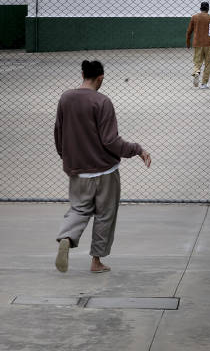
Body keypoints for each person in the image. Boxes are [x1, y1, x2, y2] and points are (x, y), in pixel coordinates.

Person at [54, 60, 152, 273]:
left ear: (82, 74)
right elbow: (111, 141)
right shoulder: (102, 102)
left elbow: (59, 133)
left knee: (79, 209)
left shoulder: (66, 98)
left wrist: (67, 158)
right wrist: (136, 149)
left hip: (78, 171)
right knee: (104, 215)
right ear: (101, 78)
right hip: (105, 171)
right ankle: (96, 261)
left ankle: (67, 237)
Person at [186, 1, 210, 88]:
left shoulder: (194, 17)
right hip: (208, 43)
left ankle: (196, 72)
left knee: (197, 62)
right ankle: (204, 83)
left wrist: (188, 42)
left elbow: (189, 31)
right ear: (208, 9)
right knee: (208, 64)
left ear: (200, 8)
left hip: (197, 42)